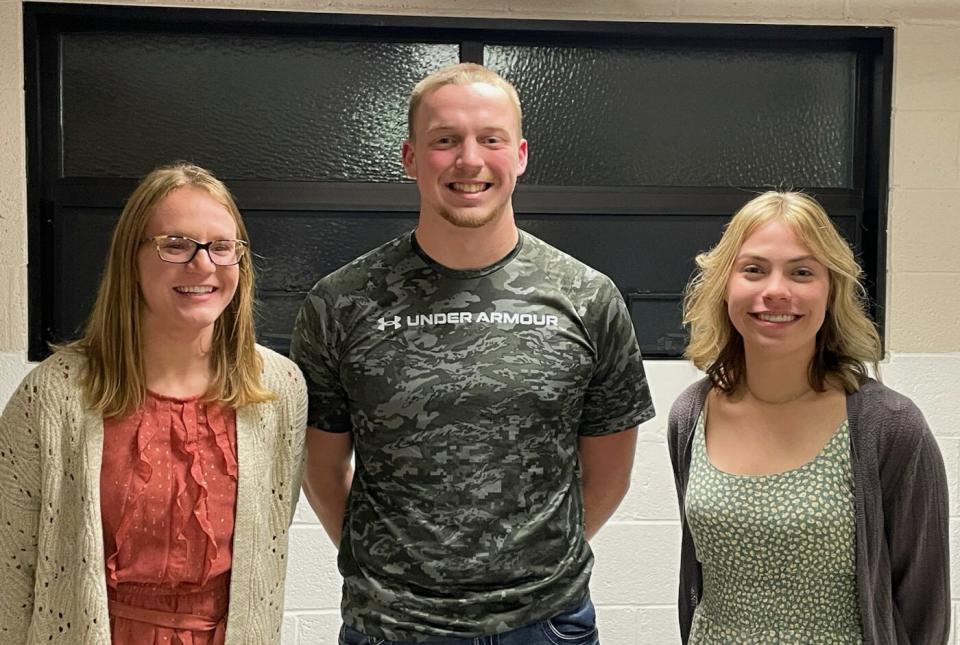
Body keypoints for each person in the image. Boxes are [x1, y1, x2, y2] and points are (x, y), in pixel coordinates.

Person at [291, 63, 654, 644]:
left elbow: (610, 474)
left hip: (544, 625)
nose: (469, 159)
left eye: (490, 138)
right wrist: (391, 574)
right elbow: (321, 467)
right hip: (390, 628)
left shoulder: (588, 296)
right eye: (445, 140)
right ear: (411, 158)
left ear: (521, 155)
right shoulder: (341, 302)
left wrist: (531, 575)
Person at [0, 162, 307, 643]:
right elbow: (10, 570)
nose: (203, 265)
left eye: (222, 247)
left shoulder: (279, 388)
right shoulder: (52, 396)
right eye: (176, 244)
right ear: (131, 258)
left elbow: (272, 531)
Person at [668, 191, 949, 644]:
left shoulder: (889, 426)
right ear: (725, 285)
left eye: (802, 272)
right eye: (754, 269)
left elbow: (923, 601)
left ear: (831, 290)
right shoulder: (691, 414)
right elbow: (697, 581)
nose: (776, 290)